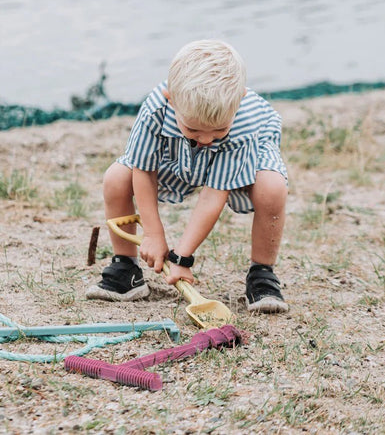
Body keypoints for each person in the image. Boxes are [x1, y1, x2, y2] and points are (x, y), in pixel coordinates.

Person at [86, 40, 289, 313]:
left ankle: (262, 274)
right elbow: (143, 170)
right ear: (171, 100)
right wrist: (154, 235)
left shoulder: (243, 122)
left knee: (272, 188)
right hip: (177, 155)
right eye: (193, 129)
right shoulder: (155, 108)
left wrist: (182, 257)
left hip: (243, 155)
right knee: (116, 178)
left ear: (239, 101)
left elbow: (214, 193)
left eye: (218, 131)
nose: (206, 139)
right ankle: (126, 268)